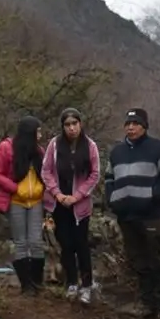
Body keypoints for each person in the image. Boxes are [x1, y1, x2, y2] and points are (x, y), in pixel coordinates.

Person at [103, 108, 160, 319]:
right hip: (126, 216)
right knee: (138, 261)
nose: (131, 127)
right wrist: (112, 199)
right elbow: (109, 178)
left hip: (151, 215)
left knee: (157, 259)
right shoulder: (117, 152)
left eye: (135, 123)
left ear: (144, 126)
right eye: (128, 124)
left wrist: (154, 195)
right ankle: (147, 303)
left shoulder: (158, 147)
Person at [41, 108, 101, 304]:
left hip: (80, 206)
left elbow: (94, 174)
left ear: (80, 124)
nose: (72, 128)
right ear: (63, 127)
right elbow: (46, 170)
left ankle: (87, 284)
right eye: (67, 125)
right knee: (65, 245)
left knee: (81, 244)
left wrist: (77, 196)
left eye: (75, 123)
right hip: (59, 203)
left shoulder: (89, 145)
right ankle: (71, 282)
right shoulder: (55, 145)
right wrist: (57, 193)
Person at [0, 115, 46, 295]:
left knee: (36, 241)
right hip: (15, 201)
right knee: (21, 242)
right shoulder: (6, 148)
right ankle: (26, 285)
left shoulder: (39, 152)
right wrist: (15, 188)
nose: (41, 134)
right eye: (38, 131)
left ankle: (37, 282)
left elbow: (46, 175)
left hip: (36, 201)